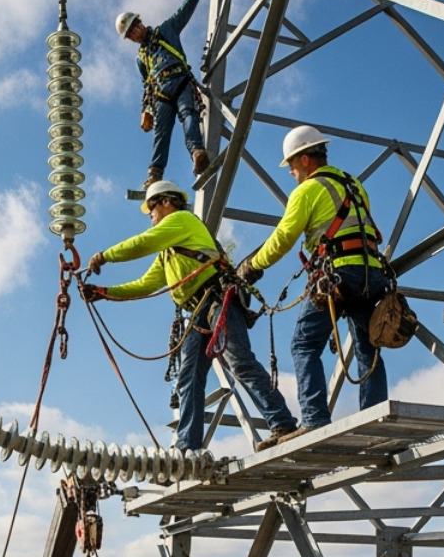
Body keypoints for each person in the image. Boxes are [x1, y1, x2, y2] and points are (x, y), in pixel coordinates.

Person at [83, 180, 298, 453]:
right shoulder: (168, 252)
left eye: (151, 207)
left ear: (166, 202)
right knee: (189, 378)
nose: (150, 215)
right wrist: (104, 292)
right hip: (198, 312)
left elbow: (142, 242)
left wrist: (105, 256)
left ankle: (282, 423)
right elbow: (146, 284)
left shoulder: (182, 220)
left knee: (239, 362)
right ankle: (187, 448)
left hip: (217, 300)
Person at [235, 125, 388, 437]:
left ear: (305, 159)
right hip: (372, 272)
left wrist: (252, 265)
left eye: (291, 165)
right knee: (367, 347)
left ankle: (315, 421)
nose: (291, 172)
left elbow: (283, 238)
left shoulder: (307, 190)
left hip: (338, 273)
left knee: (304, 344)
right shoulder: (353, 184)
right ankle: (375, 420)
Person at [116, 0, 215, 187]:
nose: (135, 33)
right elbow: (147, 85)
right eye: (130, 34)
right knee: (161, 132)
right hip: (161, 93)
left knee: (188, 114)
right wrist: (146, 110)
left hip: (180, 80)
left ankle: (197, 152)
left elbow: (184, 10)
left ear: (141, 23)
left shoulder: (166, 30)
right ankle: (155, 173)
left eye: (135, 27)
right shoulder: (141, 58)